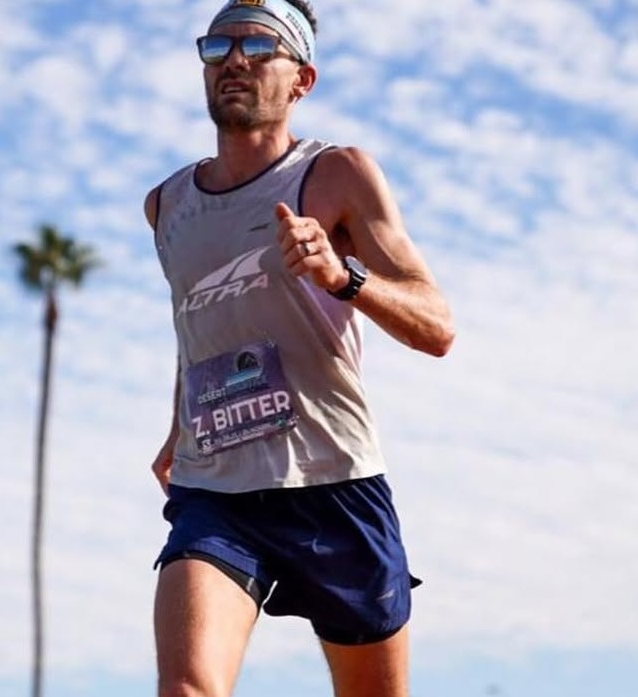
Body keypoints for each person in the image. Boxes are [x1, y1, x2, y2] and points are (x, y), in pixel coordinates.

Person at [144, 1, 455, 695]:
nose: (233, 59)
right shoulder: (165, 204)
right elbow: (195, 320)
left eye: (258, 46)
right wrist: (177, 425)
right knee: (188, 686)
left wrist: (341, 276)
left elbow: (435, 326)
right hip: (214, 486)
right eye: (219, 44)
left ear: (301, 79)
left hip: (332, 481)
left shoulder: (337, 176)